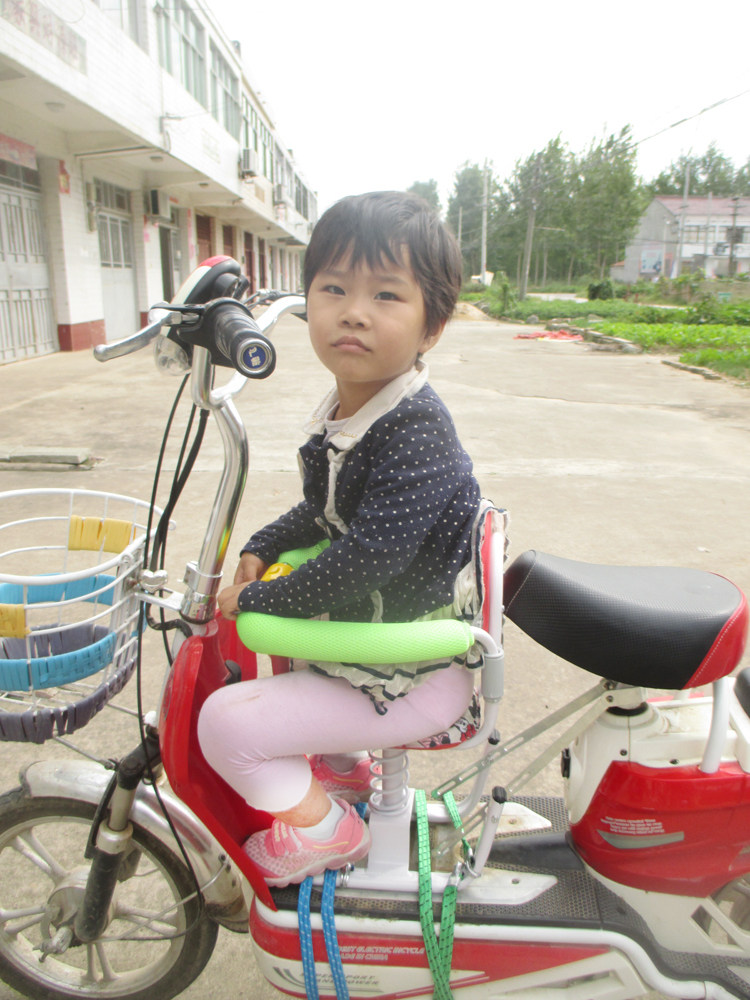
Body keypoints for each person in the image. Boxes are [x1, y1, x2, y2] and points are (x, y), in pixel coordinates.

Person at [198, 190, 486, 887]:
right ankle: (347, 770)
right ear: (307, 302)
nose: (353, 311)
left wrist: (260, 602)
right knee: (277, 645)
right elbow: (323, 511)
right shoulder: (351, 410)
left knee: (224, 726)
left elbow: (369, 556)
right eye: (333, 288)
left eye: (387, 295)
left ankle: (332, 831)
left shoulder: (414, 430)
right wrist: (263, 544)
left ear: (432, 326)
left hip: (410, 668)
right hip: (376, 646)